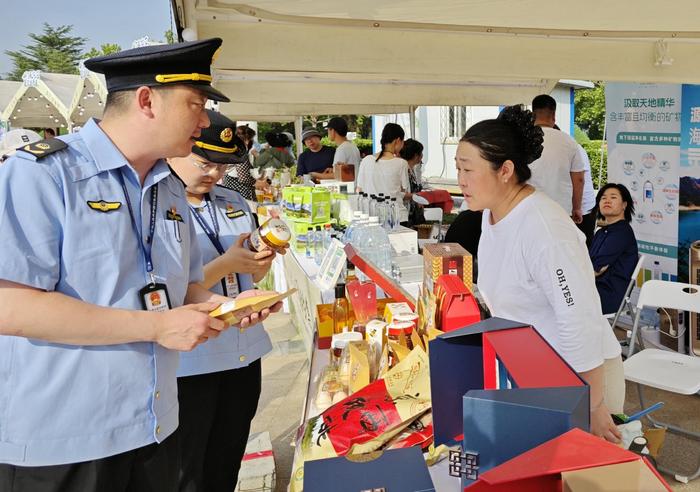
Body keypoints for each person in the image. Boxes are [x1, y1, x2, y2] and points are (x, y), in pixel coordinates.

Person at [0, 38, 277, 492]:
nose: (206, 120)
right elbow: (9, 307)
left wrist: (230, 306)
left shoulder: (169, 189)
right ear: (147, 100)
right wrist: (155, 328)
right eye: (196, 104)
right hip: (64, 442)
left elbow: (181, 289)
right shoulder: (44, 176)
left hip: (154, 427)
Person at [457, 104, 623, 444]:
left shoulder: (544, 228)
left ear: (505, 170)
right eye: (458, 168)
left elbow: (580, 319)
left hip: (582, 382)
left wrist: (593, 405)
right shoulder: (492, 215)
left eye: (468, 170)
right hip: (535, 375)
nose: (461, 180)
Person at [168, 110, 283, 492]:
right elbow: (165, 286)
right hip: (193, 360)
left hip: (243, 353)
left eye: (223, 165)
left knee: (227, 459)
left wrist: (259, 265)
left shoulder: (232, 200)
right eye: (205, 163)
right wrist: (225, 264)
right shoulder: (158, 204)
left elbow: (250, 275)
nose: (215, 174)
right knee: (188, 470)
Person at [529, 94, 586, 223]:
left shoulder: (522, 140)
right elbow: (579, 179)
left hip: (529, 208)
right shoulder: (569, 141)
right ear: (554, 116)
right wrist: (576, 208)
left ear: (533, 116)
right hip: (561, 210)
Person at [590, 183, 639, 315]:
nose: (607, 200)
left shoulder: (622, 232)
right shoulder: (601, 232)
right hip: (593, 289)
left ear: (624, 205)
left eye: (613, 197)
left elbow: (597, 269)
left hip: (608, 295)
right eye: (603, 198)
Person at [356, 123, 410, 217]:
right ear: (397, 140)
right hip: (396, 217)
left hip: (372, 216)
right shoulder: (401, 163)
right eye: (402, 142)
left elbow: (360, 188)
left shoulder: (366, 160)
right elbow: (403, 191)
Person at [399, 138, 426, 225]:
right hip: (404, 215)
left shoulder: (412, 170)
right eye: (421, 153)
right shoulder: (403, 169)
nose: (422, 156)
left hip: (411, 215)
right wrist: (416, 196)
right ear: (415, 155)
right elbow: (401, 193)